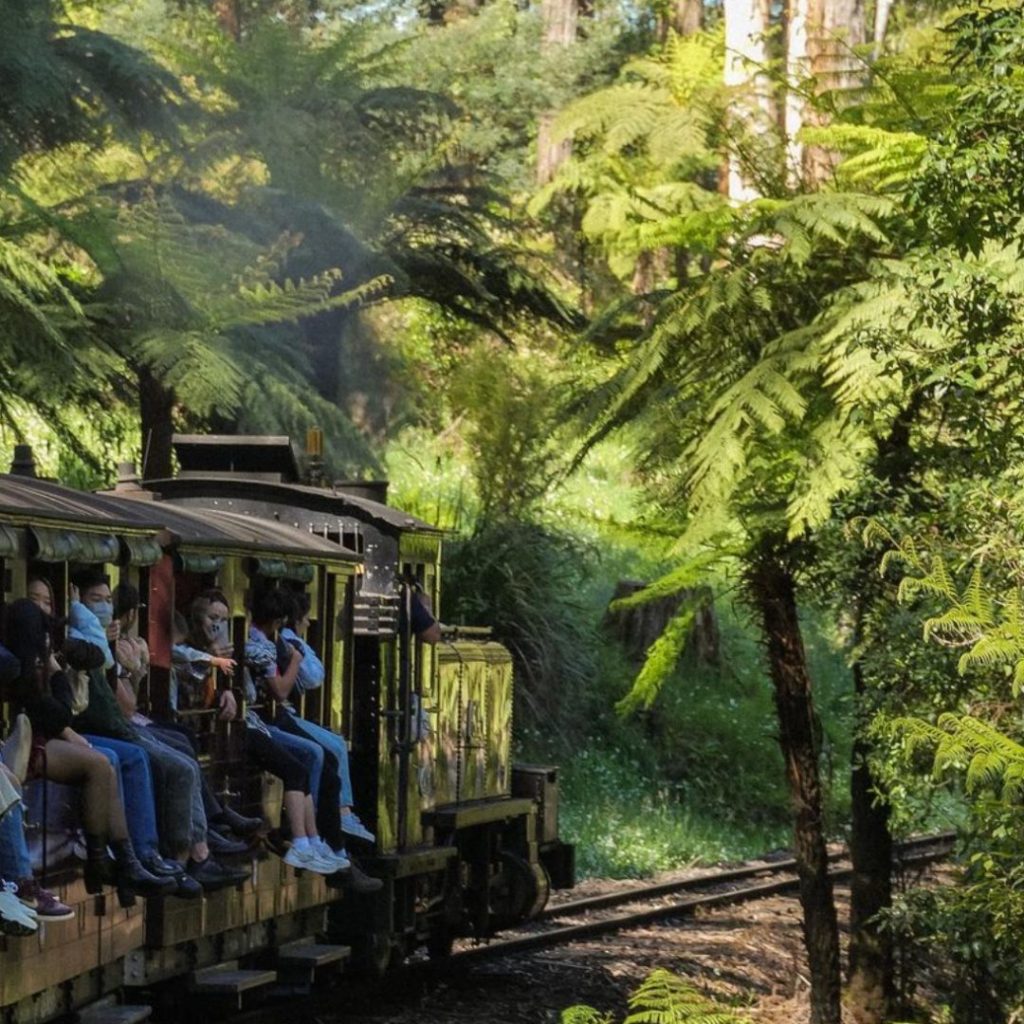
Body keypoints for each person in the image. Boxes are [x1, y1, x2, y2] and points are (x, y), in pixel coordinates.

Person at [68, 571, 247, 892]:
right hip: (100, 727)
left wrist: (132, 670)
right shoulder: (81, 641)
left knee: (182, 750)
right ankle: (175, 860)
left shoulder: (108, 643)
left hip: (117, 722)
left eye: (108, 601)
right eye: (96, 601)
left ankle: (196, 849)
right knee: (174, 764)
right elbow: (122, 708)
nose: (105, 608)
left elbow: (127, 702)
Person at [2, 598, 171, 906]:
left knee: (104, 762)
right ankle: (104, 862)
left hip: (33, 741)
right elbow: (60, 714)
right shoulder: (19, 670)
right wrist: (55, 674)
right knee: (97, 765)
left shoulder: (25, 662)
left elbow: (92, 656)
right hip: (20, 749)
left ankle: (121, 860)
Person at [279, 592, 374, 844]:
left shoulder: (286, 639)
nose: (309, 623)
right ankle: (338, 815)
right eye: (305, 618)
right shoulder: (289, 640)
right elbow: (314, 676)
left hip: (284, 712)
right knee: (333, 747)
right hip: (280, 713)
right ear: (294, 620)